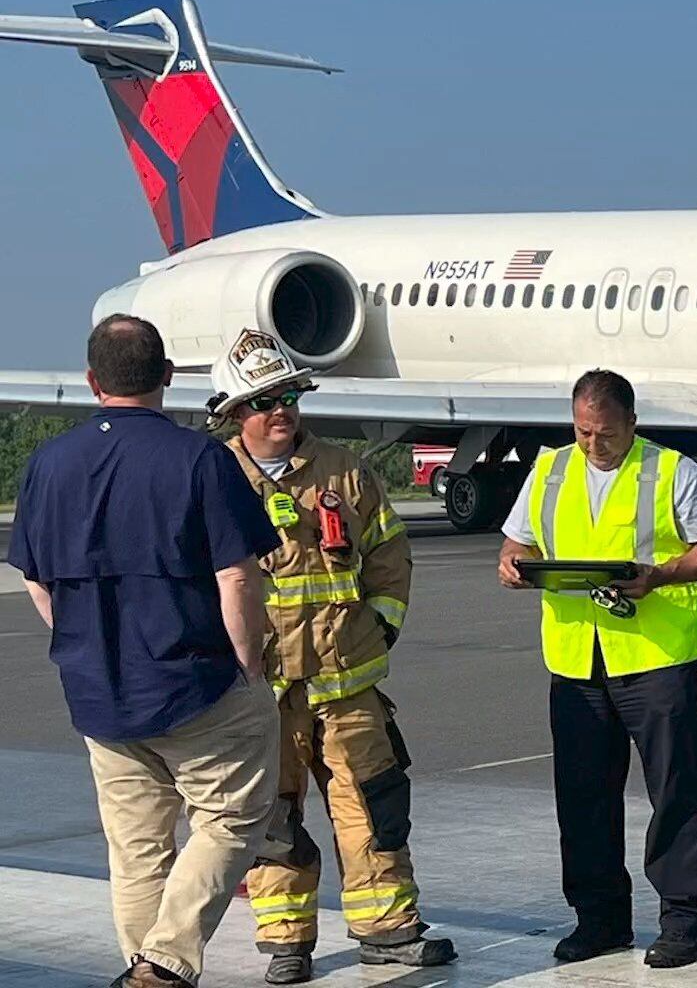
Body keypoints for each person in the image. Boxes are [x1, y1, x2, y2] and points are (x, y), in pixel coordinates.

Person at [6, 315, 283, 988]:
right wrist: (249, 662)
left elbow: (35, 577)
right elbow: (236, 575)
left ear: (91, 381)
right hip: (197, 681)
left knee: (136, 851)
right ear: (167, 375)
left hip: (99, 688)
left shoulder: (50, 464)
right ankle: (165, 961)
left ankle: (144, 970)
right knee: (231, 820)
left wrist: (76, 642)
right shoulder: (199, 459)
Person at [206, 328, 456, 984]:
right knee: (272, 818)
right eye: (263, 400)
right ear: (235, 412)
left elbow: (389, 554)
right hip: (264, 694)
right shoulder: (212, 479)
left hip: (349, 687)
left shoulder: (345, 471)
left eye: (288, 394)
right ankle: (286, 942)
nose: (280, 410)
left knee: (374, 807)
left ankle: (390, 931)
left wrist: (377, 629)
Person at [496, 369, 697, 968]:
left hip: (655, 659)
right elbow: (516, 542)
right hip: (577, 660)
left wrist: (661, 575)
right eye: (582, 431)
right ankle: (599, 920)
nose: (592, 444)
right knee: (582, 798)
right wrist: (514, 565)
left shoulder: (672, 470)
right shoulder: (551, 470)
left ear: (632, 423)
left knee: (676, 792)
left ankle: (684, 922)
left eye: (604, 433)